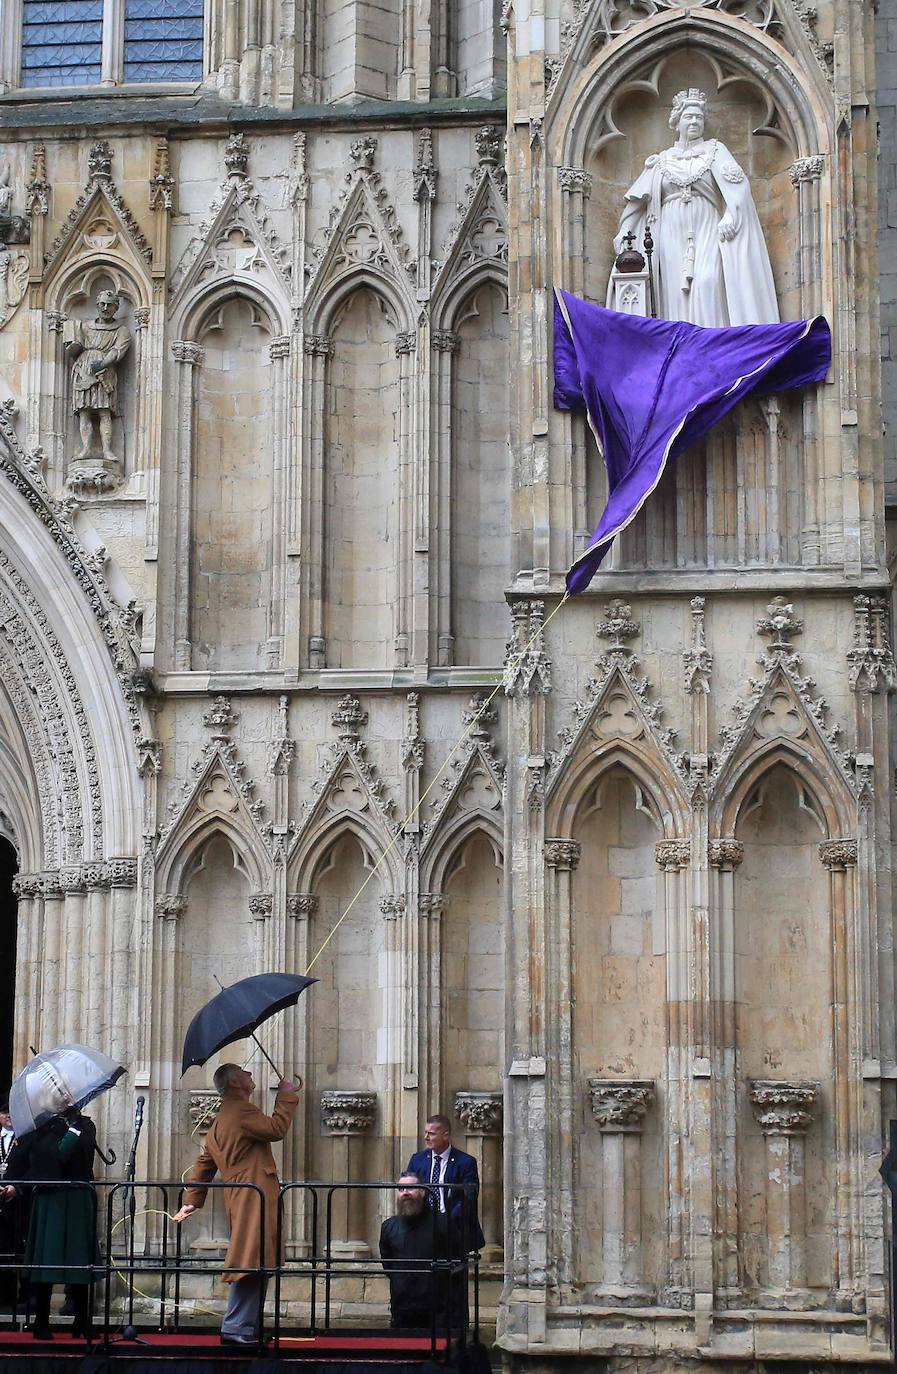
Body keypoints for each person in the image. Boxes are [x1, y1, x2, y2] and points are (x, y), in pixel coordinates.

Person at [609, 88, 779, 327]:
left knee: (708, 281)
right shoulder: (661, 160)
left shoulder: (716, 151)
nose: (695, 121)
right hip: (668, 230)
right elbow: (637, 202)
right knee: (672, 289)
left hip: (707, 224)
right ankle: (680, 344)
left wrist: (732, 214)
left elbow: (738, 188)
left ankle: (711, 340)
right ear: (676, 122)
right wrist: (624, 234)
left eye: (699, 117)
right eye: (689, 117)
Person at [173, 1065, 300, 1346]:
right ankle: (237, 1326)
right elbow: (276, 1129)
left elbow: (205, 1162)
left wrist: (193, 1200)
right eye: (245, 1072)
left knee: (257, 1259)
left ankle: (247, 1325)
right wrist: (286, 1097)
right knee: (251, 1260)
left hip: (244, 1195)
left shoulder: (222, 1117)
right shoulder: (241, 1111)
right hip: (254, 1195)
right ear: (235, 1082)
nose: (251, 1074)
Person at [1, 1109, 98, 1340]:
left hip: (76, 1197)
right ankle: (41, 1321)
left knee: (79, 1260)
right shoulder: (41, 1127)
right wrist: (14, 1186)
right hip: (50, 1199)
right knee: (46, 1260)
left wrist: (75, 1127)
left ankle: (81, 1320)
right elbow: (53, 1156)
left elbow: (82, 1156)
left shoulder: (86, 1125)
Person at [64, 288, 131, 464]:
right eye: (102, 304)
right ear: (97, 305)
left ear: (116, 308)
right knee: (84, 411)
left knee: (104, 410)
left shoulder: (121, 330)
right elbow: (75, 349)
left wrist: (102, 363)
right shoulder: (85, 327)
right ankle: (86, 449)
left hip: (104, 371)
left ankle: (107, 450)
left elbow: (118, 351)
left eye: (110, 305)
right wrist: (72, 345)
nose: (105, 308)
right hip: (84, 369)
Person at [379, 1174, 451, 1330]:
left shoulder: (442, 1223)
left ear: (423, 1192)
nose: (405, 1193)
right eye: (401, 1189)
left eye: (410, 1188)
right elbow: (387, 1263)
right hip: (402, 1305)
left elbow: (453, 1257)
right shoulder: (388, 1227)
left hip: (436, 1308)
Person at [407, 1114, 484, 1253]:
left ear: (445, 1135)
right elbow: (409, 1187)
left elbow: (469, 1195)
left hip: (454, 1224)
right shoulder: (417, 1160)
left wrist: (446, 1220)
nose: (426, 1137)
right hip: (423, 1223)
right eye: (425, 1133)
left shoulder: (465, 1162)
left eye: (431, 1134)